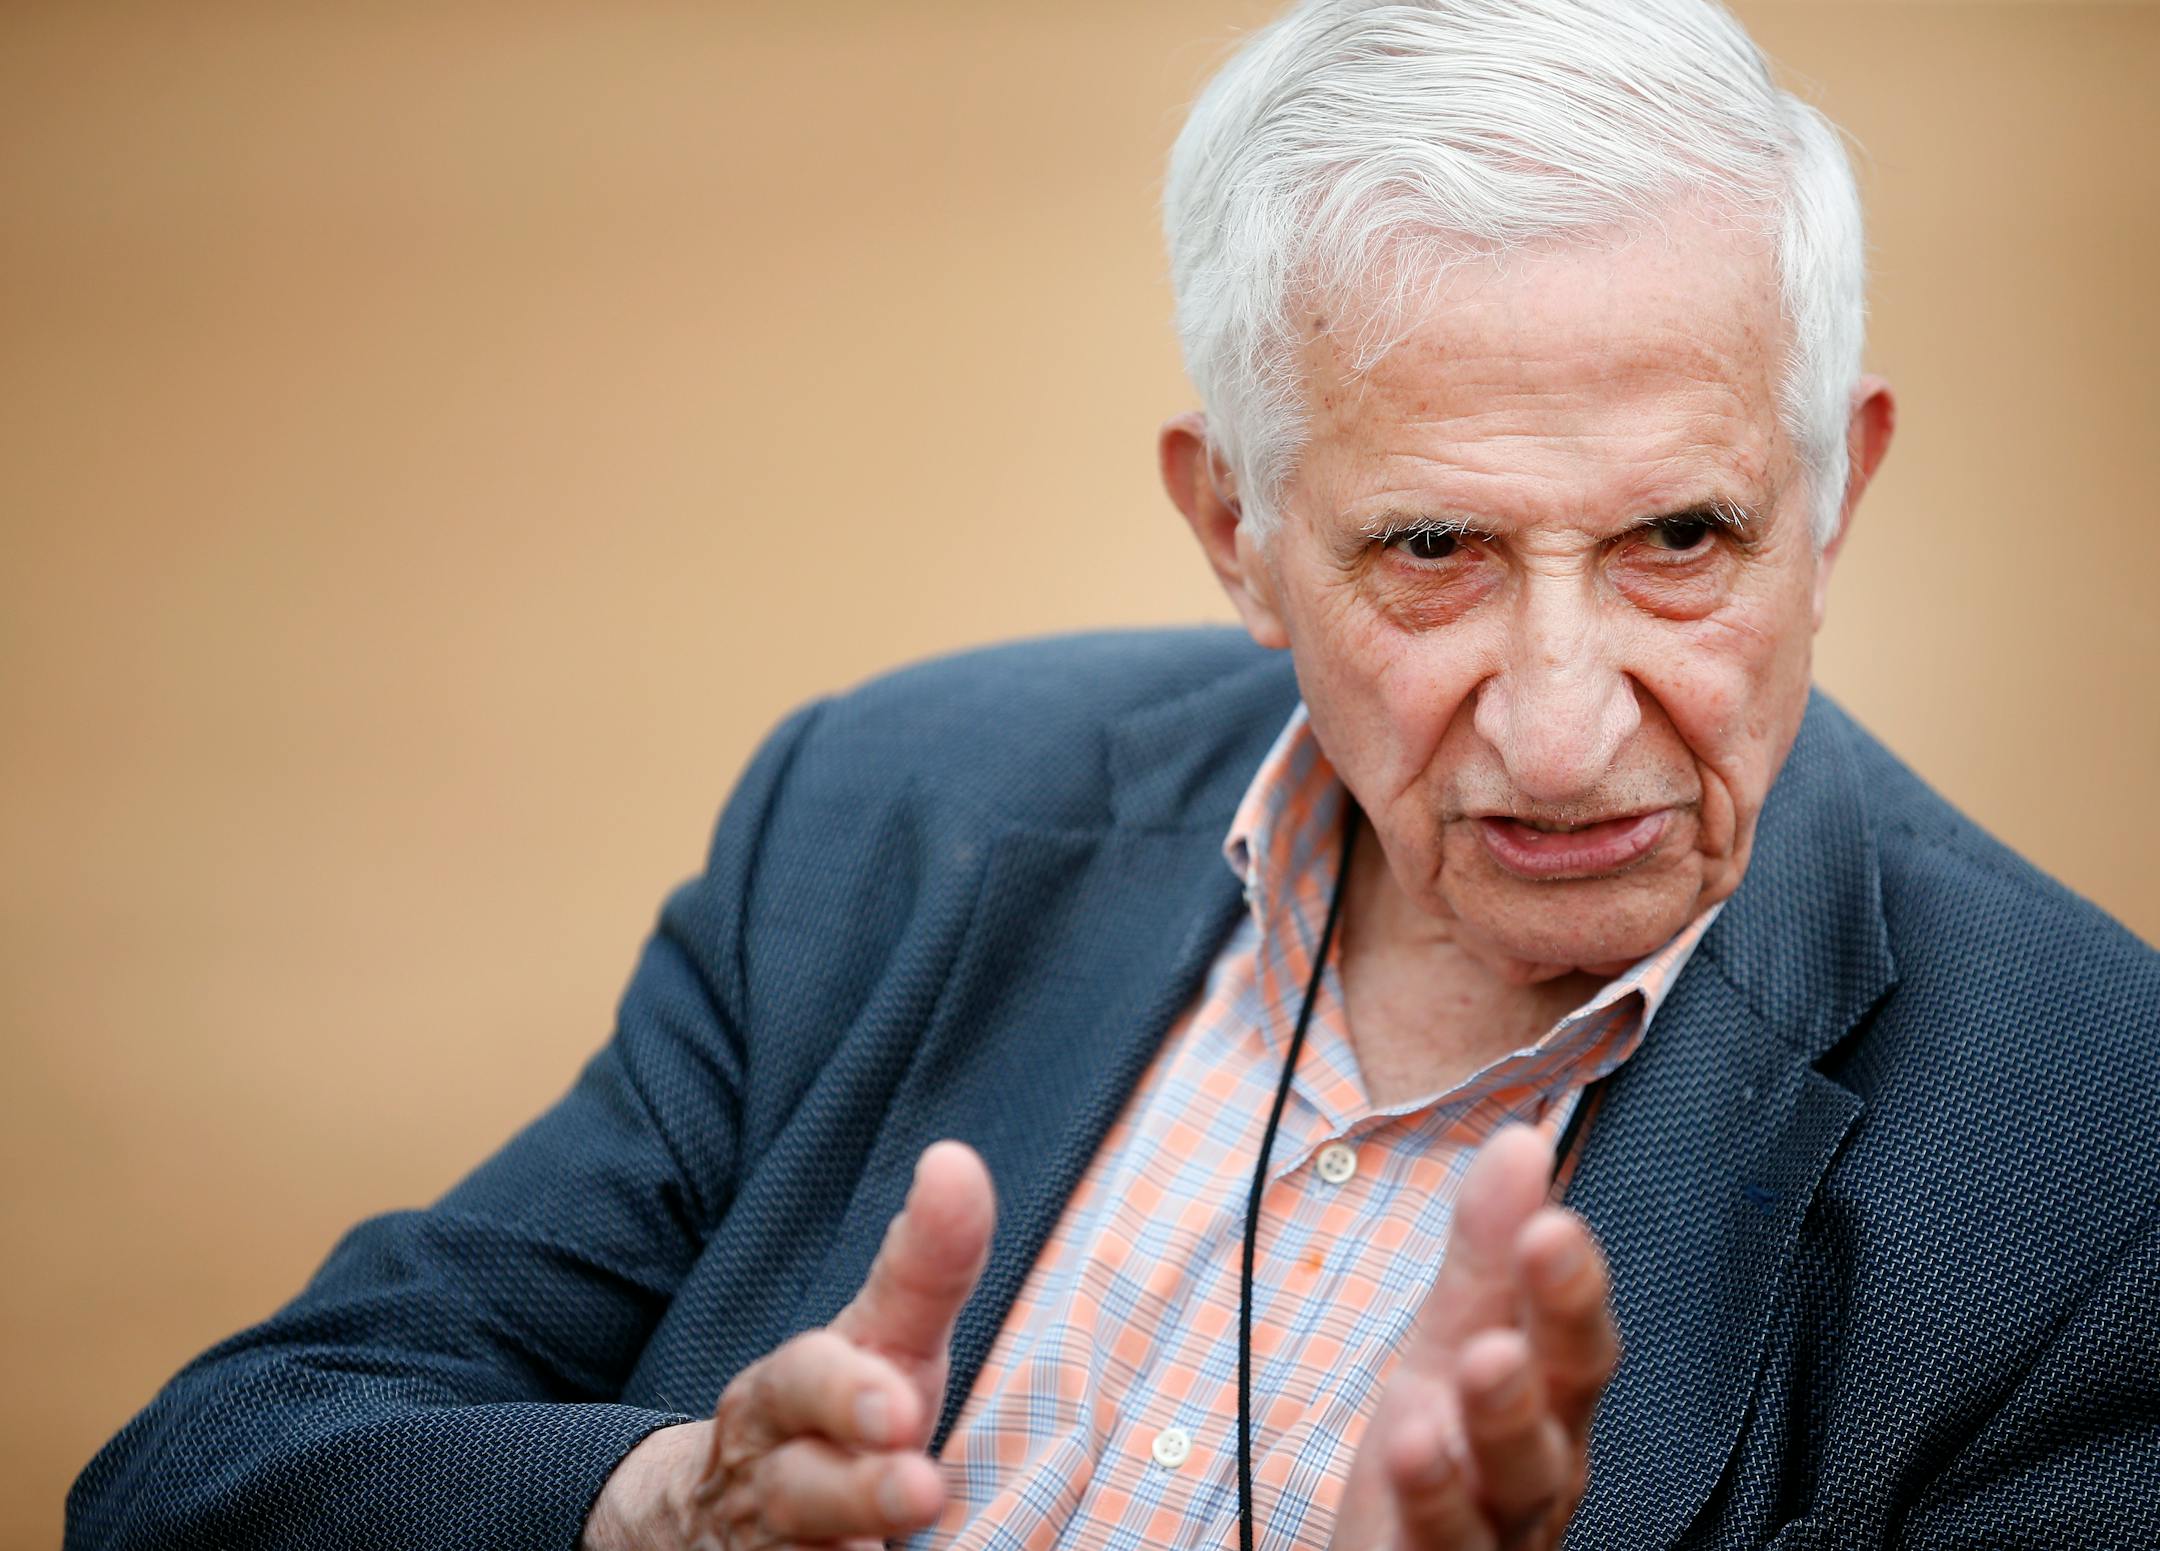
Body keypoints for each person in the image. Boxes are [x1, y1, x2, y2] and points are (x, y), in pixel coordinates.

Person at [68, 0, 2160, 1547]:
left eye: (1680, 541)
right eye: (1429, 549)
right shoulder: (888, 812)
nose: (1559, 719)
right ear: (1234, 528)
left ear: (1837, 491)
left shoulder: (2097, 1161)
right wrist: (656, 1504)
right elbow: (204, 1470)